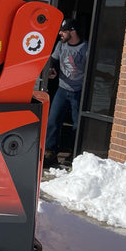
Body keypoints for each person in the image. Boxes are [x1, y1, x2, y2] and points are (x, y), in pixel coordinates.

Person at [44, 18, 88, 166]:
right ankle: (50, 153)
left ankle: (74, 155)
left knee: (77, 124)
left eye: (63, 30)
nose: (60, 33)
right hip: (62, 89)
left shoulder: (85, 48)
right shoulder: (61, 45)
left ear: (72, 31)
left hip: (78, 91)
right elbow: (53, 59)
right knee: (53, 120)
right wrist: (50, 69)